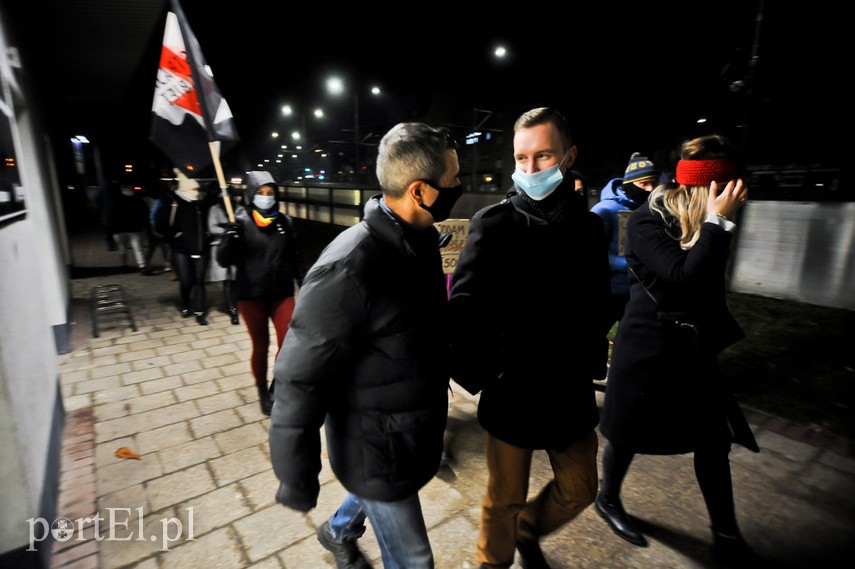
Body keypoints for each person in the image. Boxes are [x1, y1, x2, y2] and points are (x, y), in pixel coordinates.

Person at [268, 122, 462, 569]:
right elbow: (298, 379)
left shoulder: (420, 240)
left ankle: (337, 531)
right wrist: (296, 479)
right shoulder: (349, 267)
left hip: (406, 430)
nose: (458, 186)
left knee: (376, 494)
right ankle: (338, 529)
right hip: (376, 445)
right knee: (415, 559)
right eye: (452, 178)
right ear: (420, 190)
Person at [447, 107, 611, 569]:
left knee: (581, 489)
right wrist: (489, 366)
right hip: (513, 390)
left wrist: (589, 359)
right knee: (502, 501)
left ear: (568, 156)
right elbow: (463, 308)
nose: (531, 169)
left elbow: (599, 301)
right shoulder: (493, 224)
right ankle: (491, 563)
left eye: (543, 156)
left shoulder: (589, 226)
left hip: (568, 391)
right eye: (522, 159)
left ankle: (529, 529)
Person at [596, 134, 759, 567]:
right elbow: (683, 278)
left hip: (690, 351)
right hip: (647, 350)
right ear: (706, 188)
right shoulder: (649, 221)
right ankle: (607, 499)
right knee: (625, 434)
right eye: (725, 190)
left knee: (712, 441)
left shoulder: (707, 218)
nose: (731, 198)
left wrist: (715, 225)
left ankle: (726, 535)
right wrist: (718, 225)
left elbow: (705, 287)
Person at [216, 171, 306, 416]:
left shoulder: (284, 222)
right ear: (250, 194)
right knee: (261, 345)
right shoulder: (241, 221)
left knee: (287, 343)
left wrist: (305, 283)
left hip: (281, 292)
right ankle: (261, 391)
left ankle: (278, 386)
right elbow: (223, 261)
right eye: (260, 193)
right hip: (250, 295)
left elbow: (295, 258)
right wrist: (230, 239)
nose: (266, 198)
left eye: (270, 193)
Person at [590, 152, 661, 328]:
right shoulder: (605, 210)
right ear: (628, 184)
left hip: (637, 290)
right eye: (644, 183)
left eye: (653, 183)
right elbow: (591, 252)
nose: (650, 188)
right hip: (609, 291)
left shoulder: (648, 209)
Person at [154, 168, 211, 325]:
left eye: (197, 188)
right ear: (185, 188)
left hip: (201, 249)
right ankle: (185, 302)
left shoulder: (200, 204)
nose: (197, 191)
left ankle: (200, 312)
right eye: (194, 188)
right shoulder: (173, 204)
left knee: (200, 281)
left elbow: (209, 221)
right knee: (186, 281)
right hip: (181, 250)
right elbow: (159, 224)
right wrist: (172, 237)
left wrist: (208, 236)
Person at [207, 187, 242, 325]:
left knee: (236, 279)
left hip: (237, 248)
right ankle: (232, 310)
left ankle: (238, 303)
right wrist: (227, 230)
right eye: (221, 194)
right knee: (227, 280)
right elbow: (212, 227)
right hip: (221, 247)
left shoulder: (239, 209)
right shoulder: (214, 209)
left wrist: (237, 229)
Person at [108, 179, 149, 272]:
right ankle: (142, 266)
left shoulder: (115, 200)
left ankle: (124, 265)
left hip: (120, 229)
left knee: (122, 249)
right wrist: (143, 225)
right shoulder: (137, 200)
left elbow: (111, 216)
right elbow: (143, 213)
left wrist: (112, 230)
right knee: (138, 248)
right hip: (134, 228)